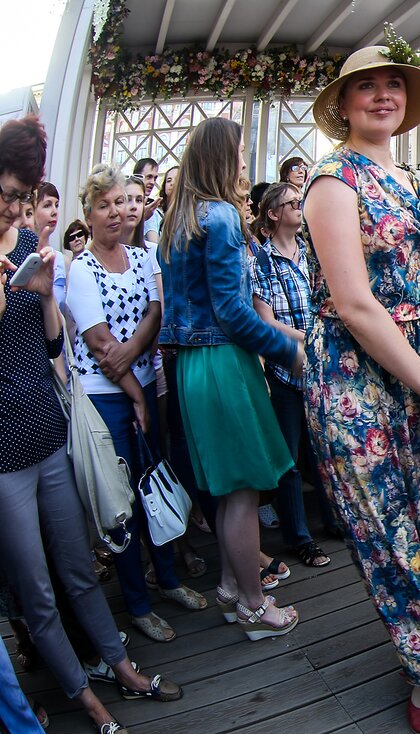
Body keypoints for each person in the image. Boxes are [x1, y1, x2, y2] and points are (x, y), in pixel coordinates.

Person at [303, 41, 420, 734]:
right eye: (367, 86)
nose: (383, 95)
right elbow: (354, 304)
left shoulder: (411, 180)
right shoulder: (332, 181)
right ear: (343, 103)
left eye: (394, 84)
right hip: (356, 375)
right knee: (388, 523)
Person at [0, 115, 180, 734]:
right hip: (4, 455)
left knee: (78, 567)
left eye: (22, 197)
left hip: (48, 430)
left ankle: (119, 664)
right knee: (36, 588)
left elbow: (53, 345)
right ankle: (87, 701)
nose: (17, 209)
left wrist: (45, 294)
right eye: (9, 195)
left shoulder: (24, 246)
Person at [159, 117, 302, 643]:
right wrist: (287, 349)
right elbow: (234, 314)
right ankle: (254, 605)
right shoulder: (219, 216)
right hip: (223, 362)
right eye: (240, 152)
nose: (244, 161)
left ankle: (229, 587)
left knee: (226, 492)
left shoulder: (178, 220)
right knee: (242, 492)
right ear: (222, 155)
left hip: (192, 367)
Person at [66, 165, 209, 644]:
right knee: (122, 501)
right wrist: (133, 392)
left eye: (120, 202)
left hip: (143, 385)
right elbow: (99, 344)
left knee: (154, 486)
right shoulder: (81, 269)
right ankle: (137, 604)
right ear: (89, 214)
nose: (115, 212)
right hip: (106, 399)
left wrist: (131, 354)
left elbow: (155, 311)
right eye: (103, 205)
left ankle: (166, 578)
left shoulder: (142, 257)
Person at [249, 182, 335, 567]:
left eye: (299, 202)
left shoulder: (310, 252)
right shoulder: (262, 263)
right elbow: (266, 321)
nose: (299, 207)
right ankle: (299, 537)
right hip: (286, 371)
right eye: (291, 203)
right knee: (288, 460)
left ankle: (334, 521)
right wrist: (310, 336)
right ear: (273, 214)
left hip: (318, 368)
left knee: (322, 451)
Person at [132, 158, 161, 242]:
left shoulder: (155, 211)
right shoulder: (124, 205)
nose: (152, 182)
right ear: (137, 177)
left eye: (155, 178)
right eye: (149, 177)